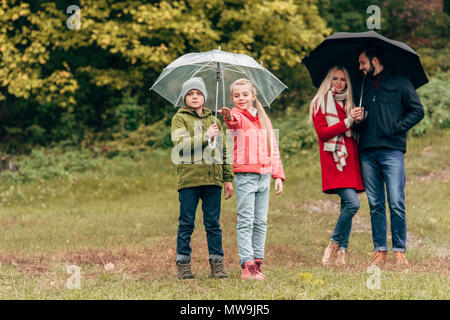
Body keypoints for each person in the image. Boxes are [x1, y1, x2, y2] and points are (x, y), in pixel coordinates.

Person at [354, 47, 424, 267]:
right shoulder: (361, 86)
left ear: (375, 60)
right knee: (375, 203)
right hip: (366, 151)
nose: (360, 67)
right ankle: (379, 250)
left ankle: (399, 250)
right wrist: (357, 117)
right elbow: (360, 115)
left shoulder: (401, 81)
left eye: (363, 62)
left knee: (395, 201)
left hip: (392, 150)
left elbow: (417, 111)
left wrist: (397, 127)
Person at [220, 78, 285, 280]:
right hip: (246, 176)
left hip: (264, 176)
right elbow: (233, 122)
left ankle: (258, 261)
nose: (241, 98)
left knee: (261, 221)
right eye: (237, 95)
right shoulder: (237, 116)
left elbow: (273, 148)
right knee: (246, 221)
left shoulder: (263, 119)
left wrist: (278, 175)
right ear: (232, 98)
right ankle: (246, 264)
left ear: (253, 96)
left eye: (245, 94)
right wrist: (228, 116)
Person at [171, 77, 234, 279]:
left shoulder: (214, 120)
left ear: (205, 97)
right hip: (189, 180)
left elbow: (224, 151)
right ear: (185, 98)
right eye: (190, 94)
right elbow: (180, 146)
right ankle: (183, 264)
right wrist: (206, 135)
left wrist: (227, 178)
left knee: (213, 224)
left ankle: (217, 263)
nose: (195, 97)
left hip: (213, 181)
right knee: (187, 222)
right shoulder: (179, 118)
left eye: (198, 93)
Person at [309, 66, 365, 267]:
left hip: (351, 159)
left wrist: (359, 119)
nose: (339, 83)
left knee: (346, 206)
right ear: (328, 81)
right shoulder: (319, 103)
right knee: (352, 204)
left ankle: (342, 252)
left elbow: (355, 130)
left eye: (343, 79)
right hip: (334, 159)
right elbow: (323, 132)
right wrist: (349, 120)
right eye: (335, 79)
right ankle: (333, 243)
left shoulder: (351, 102)